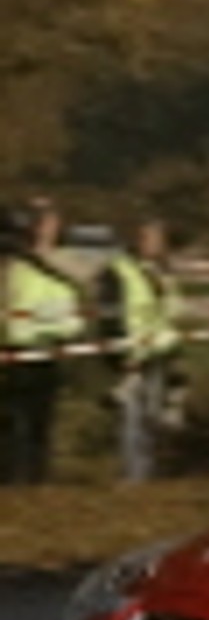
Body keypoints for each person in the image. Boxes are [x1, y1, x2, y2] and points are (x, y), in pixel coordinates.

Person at [0, 198, 87, 486]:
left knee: (39, 419)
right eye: (45, 222)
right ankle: (13, 478)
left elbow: (78, 289)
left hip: (47, 349)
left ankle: (33, 478)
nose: (50, 228)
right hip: (16, 349)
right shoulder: (12, 262)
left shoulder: (59, 263)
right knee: (14, 420)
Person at [98, 216, 186, 482]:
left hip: (161, 351)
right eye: (147, 238)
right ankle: (133, 476)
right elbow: (110, 314)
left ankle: (150, 472)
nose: (153, 244)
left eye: (158, 239)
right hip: (132, 353)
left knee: (156, 415)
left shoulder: (164, 272)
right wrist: (120, 354)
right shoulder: (119, 269)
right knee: (133, 418)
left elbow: (173, 310)